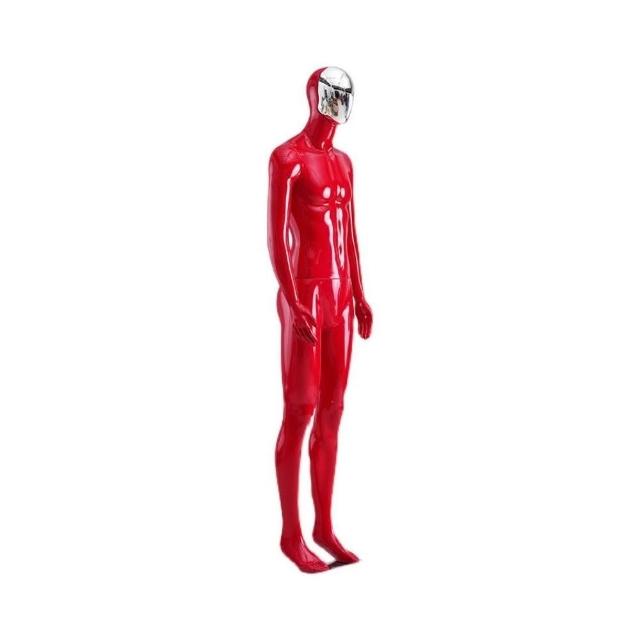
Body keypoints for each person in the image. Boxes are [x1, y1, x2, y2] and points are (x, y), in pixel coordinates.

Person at [267, 67, 373, 573]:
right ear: (315, 96)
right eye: (332, 95)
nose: (338, 105)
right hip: (305, 296)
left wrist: (361, 295)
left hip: (340, 299)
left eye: (344, 96)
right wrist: (293, 300)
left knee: (333, 410)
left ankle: (324, 527)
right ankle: (291, 534)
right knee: (300, 409)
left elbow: (349, 233)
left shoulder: (344, 163)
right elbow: (275, 238)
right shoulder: (286, 159)